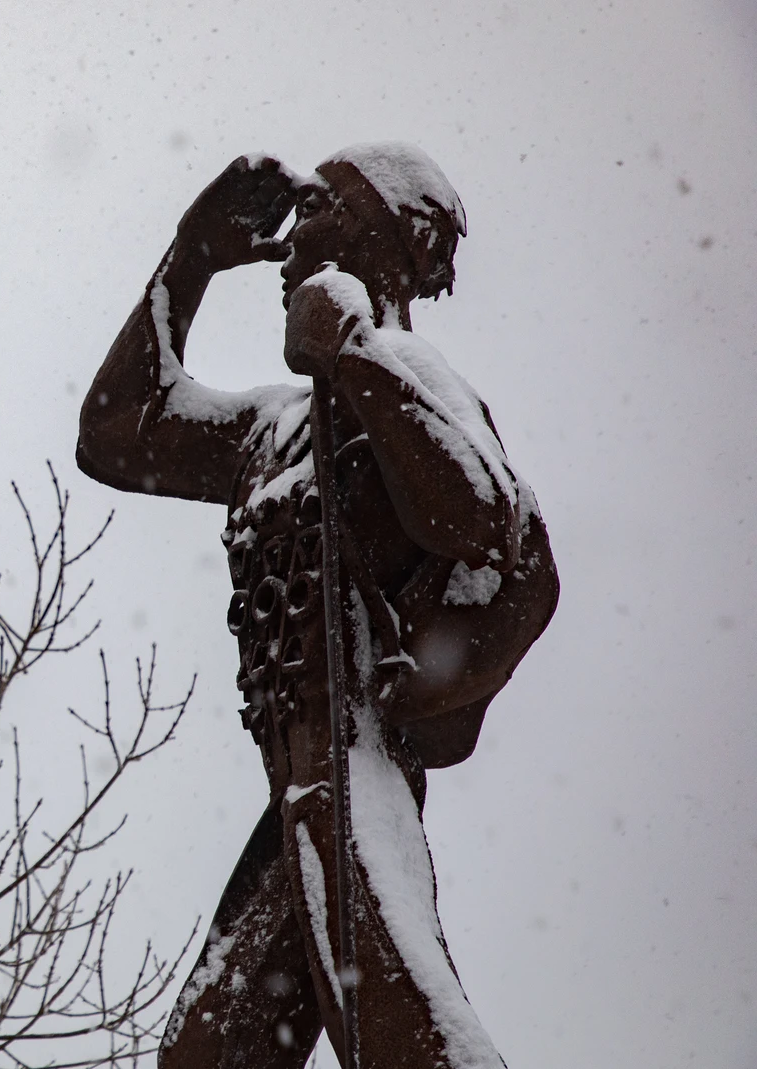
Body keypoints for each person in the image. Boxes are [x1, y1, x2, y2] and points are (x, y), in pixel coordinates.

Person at [75, 144, 559, 1069]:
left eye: (325, 212)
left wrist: (357, 357)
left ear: (391, 243)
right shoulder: (272, 431)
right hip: (290, 793)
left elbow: (488, 523)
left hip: (359, 773)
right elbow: (115, 433)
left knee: (408, 1034)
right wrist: (192, 257)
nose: (296, 236)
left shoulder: (416, 381)